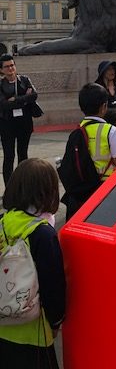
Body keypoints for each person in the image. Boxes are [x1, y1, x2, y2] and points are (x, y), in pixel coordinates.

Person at [0, 158, 66, 369]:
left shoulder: (3, 222)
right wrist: (56, 322)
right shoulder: (42, 233)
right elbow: (53, 285)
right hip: (33, 332)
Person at [64, 83, 116, 220]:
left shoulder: (77, 131)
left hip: (83, 190)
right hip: (107, 189)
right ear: (104, 106)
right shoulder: (110, 131)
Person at [0, 54, 39, 185]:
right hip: (6, 124)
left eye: (12, 65)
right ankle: (9, 188)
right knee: (9, 156)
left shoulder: (24, 79)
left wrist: (16, 99)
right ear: (1, 70)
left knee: (23, 155)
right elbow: (3, 104)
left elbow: (34, 95)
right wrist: (24, 99)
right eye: (7, 67)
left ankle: (24, 186)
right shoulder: (0, 85)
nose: (10, 68)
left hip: (24, 123)